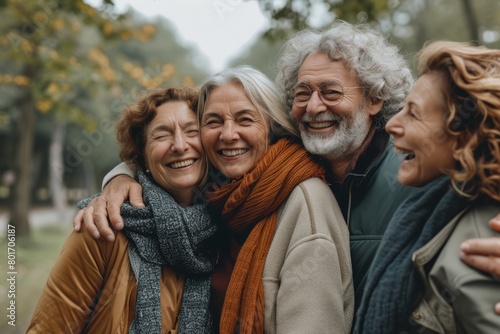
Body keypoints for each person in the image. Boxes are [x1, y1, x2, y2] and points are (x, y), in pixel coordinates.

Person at [75, 20, 500, 314]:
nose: (314, 107)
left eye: (331, 92)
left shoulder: (415, 171)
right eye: (302, 93)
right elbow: (173, 159)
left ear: (373, 101)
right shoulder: (273, 171)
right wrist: (121, 178)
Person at [77, 66, 355, 333]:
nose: (228, 135)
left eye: (245, 119)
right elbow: (159, 158)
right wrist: (119, 178)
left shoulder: (305, 202)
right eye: (213, 122)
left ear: (272, 127)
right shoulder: (223, 196)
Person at [28, 87, 217, 333]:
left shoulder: (226, 228)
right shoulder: (101, 227)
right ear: (140, 156)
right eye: (161, 136)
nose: (180, 145)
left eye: (192, 131)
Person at [354, 40, 500, 333]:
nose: (393, 124)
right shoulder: (436, 209)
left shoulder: (476, 243)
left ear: (462, 138)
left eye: (414, 113)